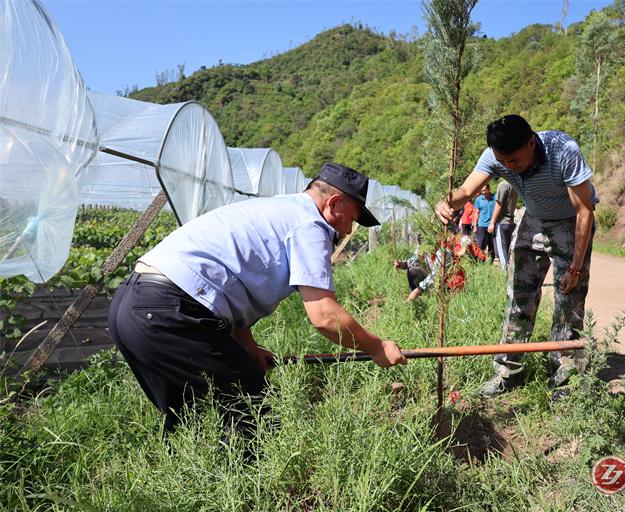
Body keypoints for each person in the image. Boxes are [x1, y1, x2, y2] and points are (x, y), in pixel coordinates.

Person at [108, 163, 407, 434]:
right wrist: (376, 347)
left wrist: (248, 348)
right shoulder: (310, 225)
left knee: (192, 424)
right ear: (334, 202)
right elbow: (324, 316)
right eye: (350, 219)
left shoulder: (276, 210)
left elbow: (229, 284)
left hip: (132, 307)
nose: (347, 230)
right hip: (170, 311)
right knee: (255, 416)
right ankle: (264, 491)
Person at [434, 115, 596, 397]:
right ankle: (508, 372)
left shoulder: (564, 151)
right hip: (532, 220)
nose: (509, 168)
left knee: (568, 301)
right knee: (518, 296)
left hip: (570, 222)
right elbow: (466, 191)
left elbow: (585, 211)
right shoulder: (494, 156)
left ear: (531, 143)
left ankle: (566, 376)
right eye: (503, 162)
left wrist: (577, 267)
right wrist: (446, 202)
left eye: (515, 161)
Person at [393, 234, 485, 302]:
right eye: (420, 245)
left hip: (451, 283)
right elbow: (413, 260)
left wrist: (418, 290)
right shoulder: (422, 247)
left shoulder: (444, 251)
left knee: (449, 300)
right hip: (437, 281)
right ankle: (418, 301)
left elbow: (436, 273)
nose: (422, 249)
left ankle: (423, 296)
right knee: (412, 270)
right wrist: (402, 264)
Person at [488, 179, 518, 270]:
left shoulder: (503, 185)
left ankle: (504, 276)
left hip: (502, 223)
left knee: (502, 252)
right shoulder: (515, 184)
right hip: (511, 222)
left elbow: (498, 205)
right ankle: (511, 273)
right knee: (509, 251)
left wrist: (492, 223)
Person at [472, 184, 496, 262]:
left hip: (492, 225)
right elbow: (476, 213)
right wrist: (475, 226)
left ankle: (491, 261)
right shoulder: (478, 199)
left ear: (489, 189)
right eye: (482, 191)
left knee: (491, 245)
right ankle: (480, 261)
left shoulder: (495, 198)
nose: (483, 192)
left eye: (485, 190)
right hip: (482, 225)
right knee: (481, 245)